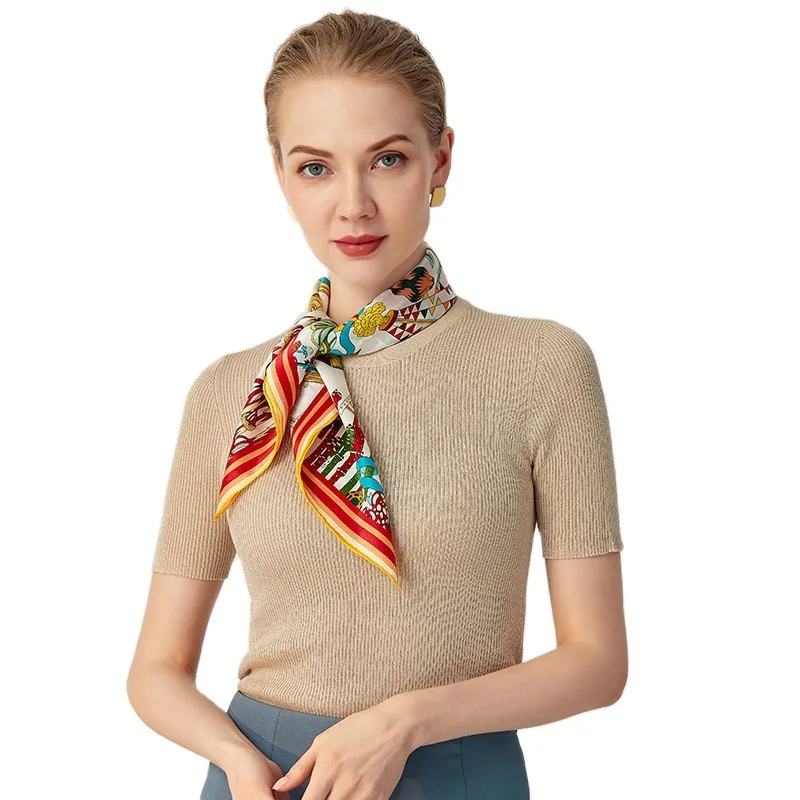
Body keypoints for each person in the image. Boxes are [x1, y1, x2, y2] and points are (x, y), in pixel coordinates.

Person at [127, 10, 627, 800]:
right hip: (264, 779)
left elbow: (598, 662)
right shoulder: (233, 392)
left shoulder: (541, 366)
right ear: (281, 176)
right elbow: (156, 669)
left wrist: (407, 721)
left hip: (454, 770)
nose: (353, 205)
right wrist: (234, 757)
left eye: (387, 160)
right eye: (315, 168)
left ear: (440, 159)